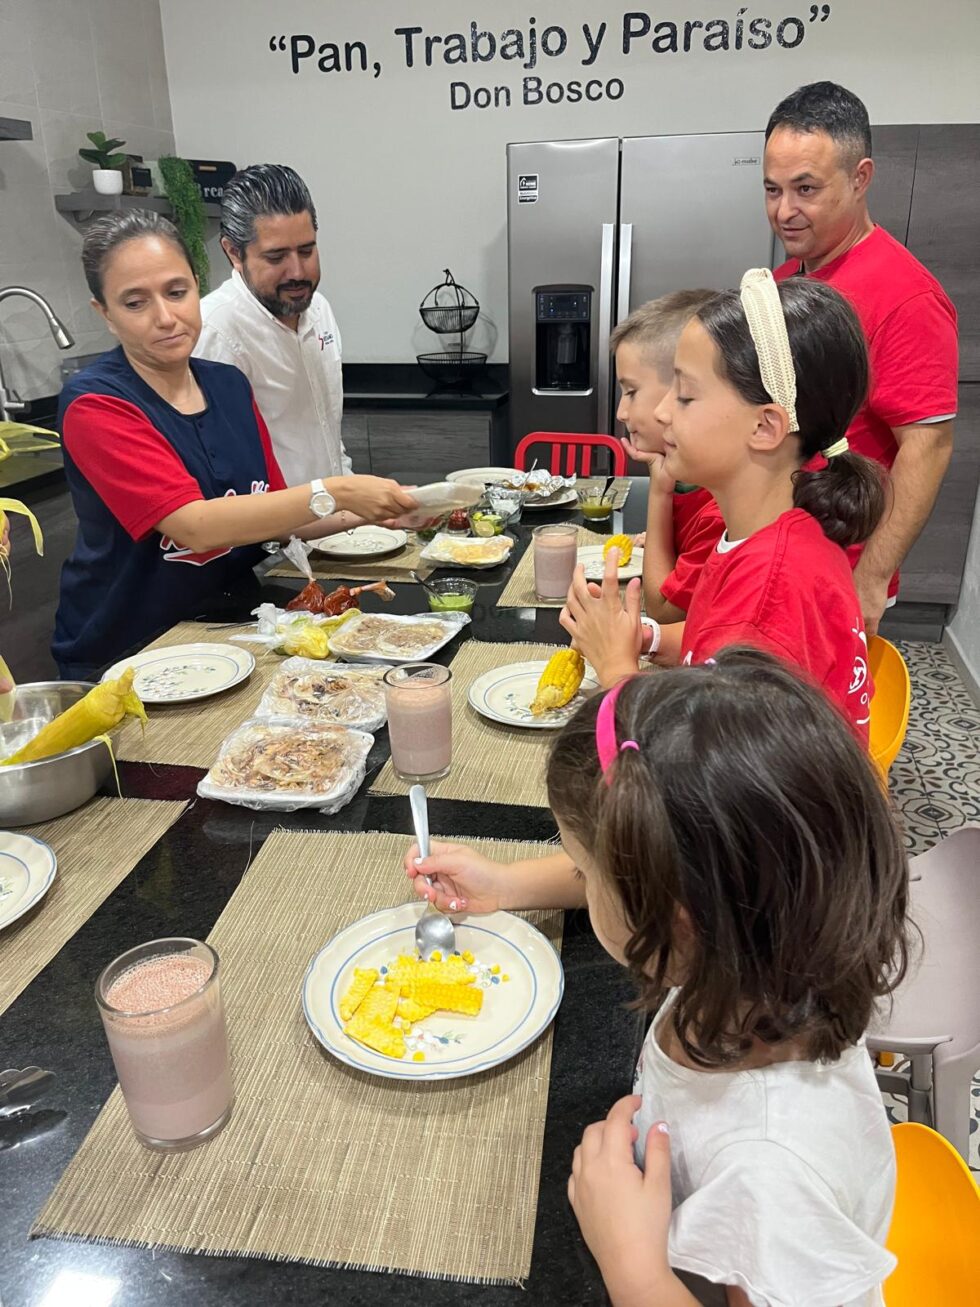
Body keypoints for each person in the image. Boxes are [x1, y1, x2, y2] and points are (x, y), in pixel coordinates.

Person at [406, 649, 910, 1306]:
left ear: (674, 918)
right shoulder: (756, 948)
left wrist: (634, 1269)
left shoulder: (769, 1171)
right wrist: (505, 884)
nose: (580, 878)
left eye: (583, 871)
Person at [53, 210, 415, 680]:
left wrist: (385, 506)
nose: (166, 318)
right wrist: (339, 490)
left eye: (177, 292)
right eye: (136, 303)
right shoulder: (97, 404)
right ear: (104, 312)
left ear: (196, 287)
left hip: (229, 631)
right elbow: (195, 527)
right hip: (129, 647)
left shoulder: (228, 385)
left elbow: (278, 516)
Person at [563, 270, 883, 745]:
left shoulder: (771, 592)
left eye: (685, 395)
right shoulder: (766, 534)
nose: (663, 412)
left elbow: (687, 770)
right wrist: (647, 638)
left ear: (765, 427)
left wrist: (615, 666)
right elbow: (714, 644)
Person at [765, 81, 958, 633]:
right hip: (775, 551)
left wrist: (871, 579)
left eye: (806, 189)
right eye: (773, 190)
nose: (784, 211)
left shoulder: (906, 297)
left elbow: (928, 448)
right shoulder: (785, 279)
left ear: (860, 178)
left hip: (839, 567)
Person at [195, 163, 349, 488]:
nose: (297, 272)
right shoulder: (214, 331)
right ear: (234, 253)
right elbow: (221, 473)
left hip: (334, 513)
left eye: (306, 251)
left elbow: (327, 435)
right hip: (275, 519)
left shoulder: (319, 309)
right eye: (276, 257)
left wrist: (356, 499)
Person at [613, 291, 724, 622]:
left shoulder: (721, 511)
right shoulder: (686, 478)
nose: (621, 412)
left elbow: (663, 610)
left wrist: (659, 492)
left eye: (631, 392)